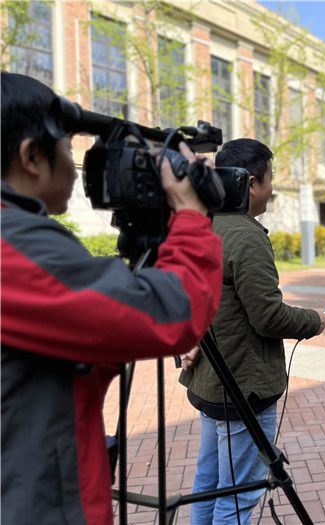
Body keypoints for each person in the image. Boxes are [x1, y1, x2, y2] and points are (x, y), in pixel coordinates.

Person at [0, 72, 223, 525]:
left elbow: (86, 328)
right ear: (31, 157)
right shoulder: (13, 246)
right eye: (67, 146)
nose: (75, 160)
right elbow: (171, 313)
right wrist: (191, 216)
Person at [179, 138, 325, 525]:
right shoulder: (245, 237)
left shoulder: (206, 226)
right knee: (238, 498)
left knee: (209, 485)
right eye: (270, 178)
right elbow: (268, 317)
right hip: (242, 392)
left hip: (211, 386)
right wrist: (313, 321)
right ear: (250, 183)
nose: (273, 187)